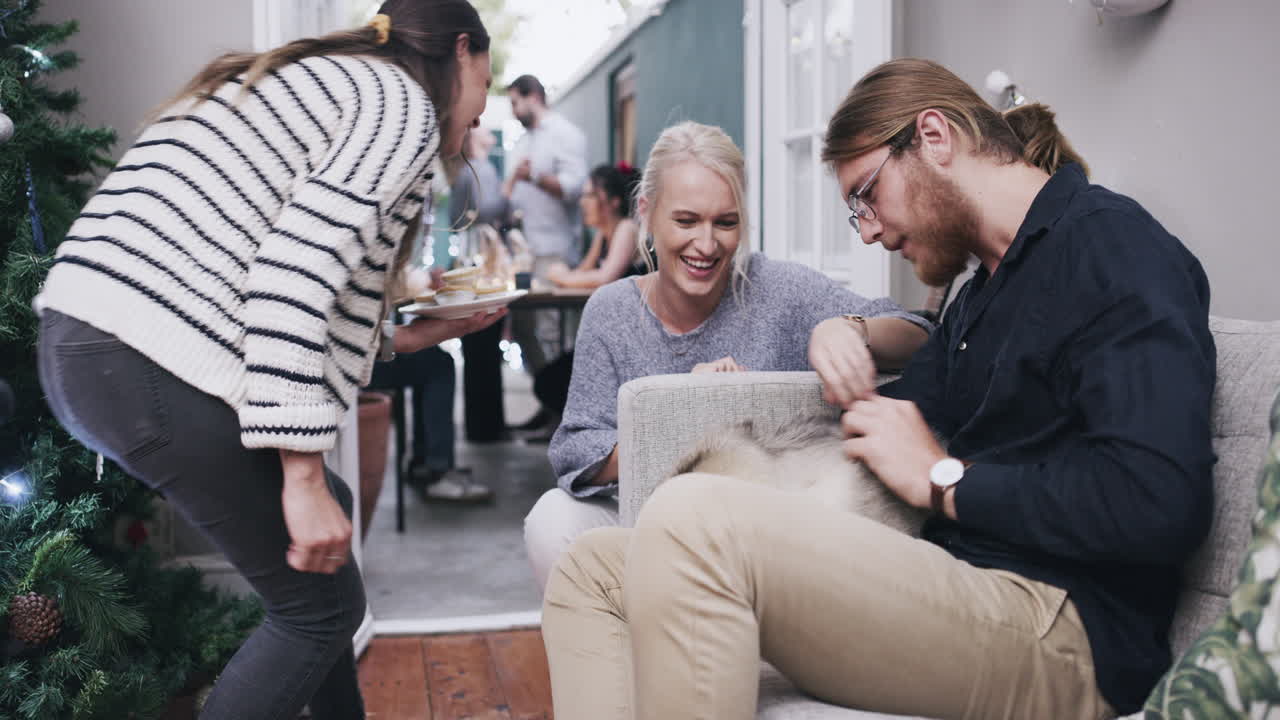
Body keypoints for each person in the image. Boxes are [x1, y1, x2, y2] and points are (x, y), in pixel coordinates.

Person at [542, 59, 1217, 720]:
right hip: (950, 577)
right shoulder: (983, 291)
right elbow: (890, 420)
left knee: (695, 519)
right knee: (593, 572)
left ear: (934, 138)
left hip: (1065, 630)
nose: (867, 229)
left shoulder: (1114, 249)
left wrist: (945, 478)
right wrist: (847, 338)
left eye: (865, 193)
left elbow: (1159, 505)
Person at [34, 3, 501, 719]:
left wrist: (420, 333)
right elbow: (291, 277)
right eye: (484, 89)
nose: (473, 124)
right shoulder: (400, 99)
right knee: (316, 612)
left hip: (90, 344)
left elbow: (275, 268)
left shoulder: (330, 77)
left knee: (332, 544)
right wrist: (302, 473)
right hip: (140, 355)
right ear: (462, 50)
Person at [524, 121, 934, 591]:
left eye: (726, 222)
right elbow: (575, 451)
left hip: (762, 532)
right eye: (685, 221)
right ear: (646, 212)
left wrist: (848, 329)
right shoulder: (612, 311)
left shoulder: (780, 289)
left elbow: (920, 336)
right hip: (643, 518)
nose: (706, 244)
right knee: (550, 518)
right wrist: (689, 413)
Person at [503, 73, 588, 430]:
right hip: (525, 252)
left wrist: (534, 178)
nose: (513, 110)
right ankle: (549, 399)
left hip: (555, 250)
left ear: (533, 96)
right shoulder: (524, 141)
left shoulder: (566, 135)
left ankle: (566, 416)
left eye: (515, 102)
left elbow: (573, 188)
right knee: (521, 328)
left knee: (554, 333)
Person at [546, 162, 645, 289]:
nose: (583, 202)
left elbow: (605, 278)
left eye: (591, 195)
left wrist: (562, 277)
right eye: (583, 196)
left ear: (615, 201)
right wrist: (562, 273)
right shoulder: (603, 233)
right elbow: (583, 272)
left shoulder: (626, 228)